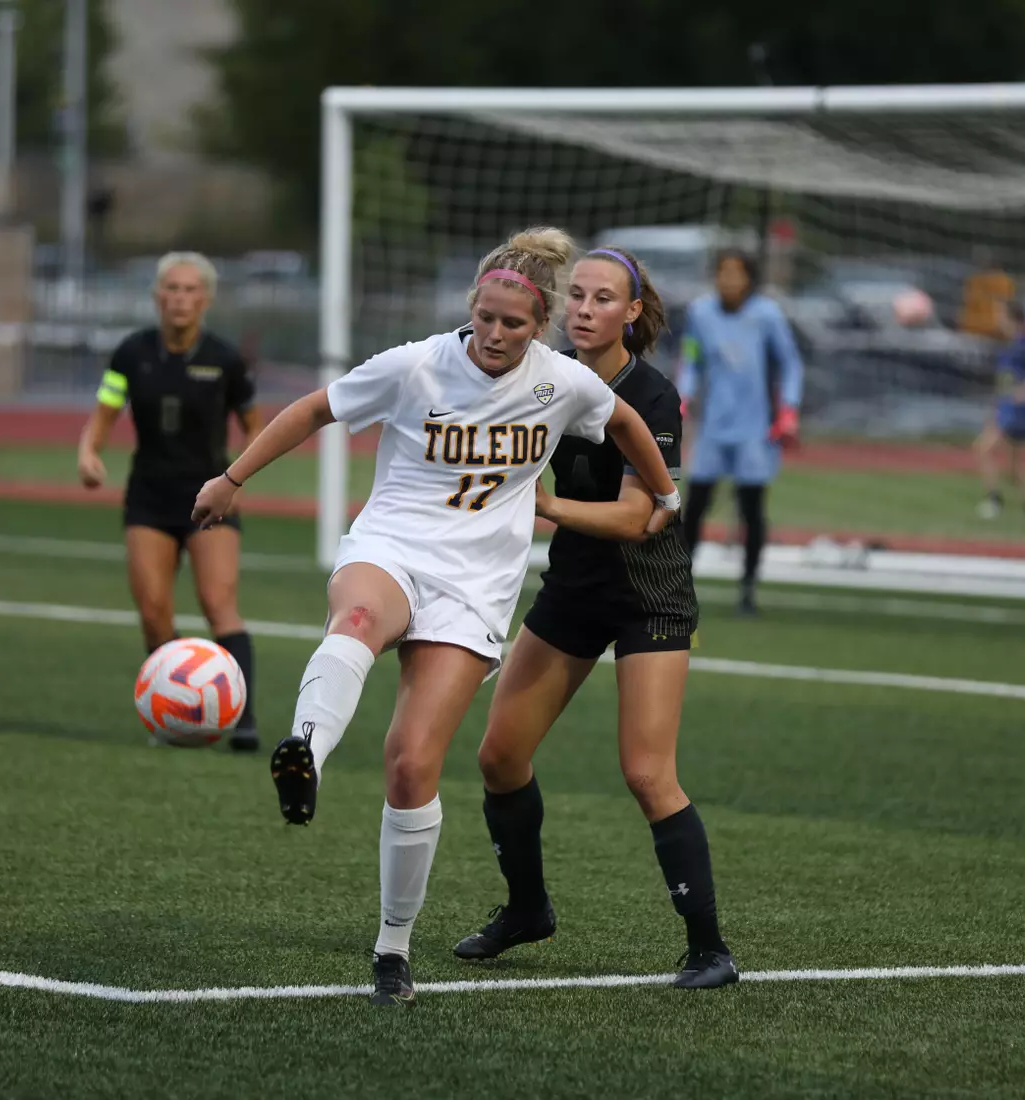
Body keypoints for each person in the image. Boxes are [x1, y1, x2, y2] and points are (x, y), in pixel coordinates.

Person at [189, 227, 683, 1007]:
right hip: (392, 547)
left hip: (475, 586)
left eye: (512, 324)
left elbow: (623, 422)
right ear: (470, 309)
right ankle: (306, 753)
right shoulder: (416, 363)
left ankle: (393, 949)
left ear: (540, 326)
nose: (493, 334)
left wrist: (665, 494)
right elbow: (316, 410)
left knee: (413, 764)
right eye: (483, 317)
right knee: (354, 619)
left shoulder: (563, 383)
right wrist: (232, 477)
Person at [452, 246, 738, 990]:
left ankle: (709, 949)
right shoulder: (541, 376)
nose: (585, 309)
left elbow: (642, 517)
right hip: (574, 587)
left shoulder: (652, 396)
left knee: (647, 773)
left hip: (649, 594)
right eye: (574, 295)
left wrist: (540, 503)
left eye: (603, 298)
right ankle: (527, 910)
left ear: (632, 313)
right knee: (499, 756)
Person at [77, 251, 263, 750]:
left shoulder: (225, 359)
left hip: (209, 498)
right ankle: (172, 713)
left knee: (217, 603)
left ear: (206, 298)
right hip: (149, 497)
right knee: (154, 611)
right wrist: (89, 451)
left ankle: (242, 718)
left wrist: (237, 479)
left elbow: (256, 426)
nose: (180, 299)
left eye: (190, 290)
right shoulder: (131, 353)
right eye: (171, 289)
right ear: (158, 296)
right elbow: (105, 409)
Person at [677, 250, 804, 615]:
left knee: (752, 508)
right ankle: (679, 585)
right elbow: (691, 355)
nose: (728, 280)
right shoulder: (701, 312)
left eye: (736, 273)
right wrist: (683, 395)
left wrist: (789, 408)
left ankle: (748, 589)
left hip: (754, 428)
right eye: (722, 272)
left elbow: (790, 362)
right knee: (695, 505)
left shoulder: (767, 314)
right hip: (714, 426)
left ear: (749, 278)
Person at [974, 299, 1025, 519]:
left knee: (983, 449)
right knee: (1013, 467)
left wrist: (1023, 393)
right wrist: (995, 410)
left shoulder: (1023, 345)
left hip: (1017, 412)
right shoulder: (1007, 345)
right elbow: (1004, 384)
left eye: (1001, 315)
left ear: (1012, 318)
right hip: (1005, 409)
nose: (998, 319)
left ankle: (994, 500)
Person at [958, 247, 1017, 340]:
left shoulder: (999, 281)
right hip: (979, 328)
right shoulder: (975, 280)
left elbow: (1003, 305)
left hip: (980, 329)